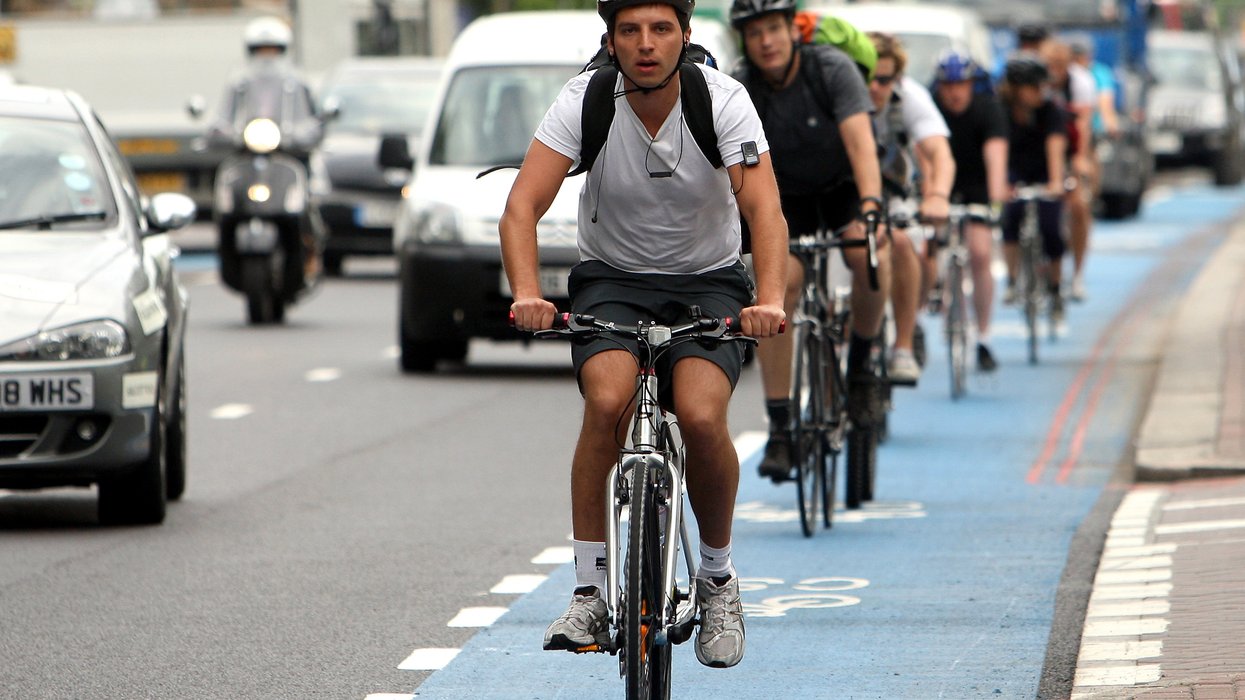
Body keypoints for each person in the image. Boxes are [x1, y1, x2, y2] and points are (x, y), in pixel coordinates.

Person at [501, 0, 787, 669]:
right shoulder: (585, 100)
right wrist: (527, 293)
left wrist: (769, 299)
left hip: (708, 280)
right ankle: (590, 591)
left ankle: (716, 580)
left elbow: (764, 210)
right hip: (613, 279)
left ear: (685, 36)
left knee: (701, 414)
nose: (646, 44)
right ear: (611, 41)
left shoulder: (722, 101)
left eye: (661, 29)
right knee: (607, 401)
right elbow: (521, 207)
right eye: (630, 31)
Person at [728, 0, 887, 480]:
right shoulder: (741, 86)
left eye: (774, 29)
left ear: (793, 30)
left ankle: (862, 367)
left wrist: (872, 205)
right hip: (784, 201)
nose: (766, 42)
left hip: (841, 188)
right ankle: (781, 427)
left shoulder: (831, 69)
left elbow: (860, 144)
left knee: (868, 251)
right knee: (779, 287)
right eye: (755, 33)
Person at [865, 31, 955, 386]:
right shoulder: (838, 93)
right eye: (868, 77)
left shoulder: (911, 98)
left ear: (897, 79)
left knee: (901, 243)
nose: (874, 87)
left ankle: (902, 346)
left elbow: (939, 153)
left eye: (884, 80)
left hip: (892, 192)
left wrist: (938, 196)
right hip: (846, 193)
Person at [932, 51, 1009, 371]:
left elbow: (996, 157)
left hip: (978, 187)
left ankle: (984, 335)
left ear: (971, 85)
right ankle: (937, 298)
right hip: (941, 188)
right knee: (930, 248)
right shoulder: (933, 110)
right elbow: (924, 155)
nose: (955, 92)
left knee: (979, 253)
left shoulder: (988, 109)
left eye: (961, 84)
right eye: (948, 86)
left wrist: (995, 201)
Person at [999, 56, 1067, 322]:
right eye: (1036, 87)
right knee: (1011, 217)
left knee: (1051, 227)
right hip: (1014, 172)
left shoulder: (1051, 110)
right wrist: (1001, 184)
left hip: (1044, 173)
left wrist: (1056, 181)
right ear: (1018, 89)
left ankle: (1056, 287)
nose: (1042, 92)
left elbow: (1055, 146)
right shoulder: (1001, 110)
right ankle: (1012, 279)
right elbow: (997, 148)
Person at [1041, 40, 1096, 303]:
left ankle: (1077, 274)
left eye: (1059, 66)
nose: (1053, 72)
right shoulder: (1036, 82)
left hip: (1072, 145)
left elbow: (1083, 125)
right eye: (1049, 66)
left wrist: (1080, 159)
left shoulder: (1080, 83)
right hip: (1042, 147)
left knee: (1078, 206)